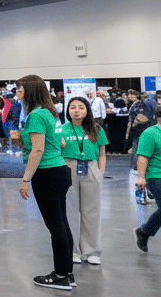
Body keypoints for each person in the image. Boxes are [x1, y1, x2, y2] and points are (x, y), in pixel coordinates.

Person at [13, 74, 74, 290]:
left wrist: (25, 179)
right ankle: (67, 272)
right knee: (62, 222)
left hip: (46, 173)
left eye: (19, 89)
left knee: (56, 225)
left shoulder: (36, 116)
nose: (17, 93)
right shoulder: (50, 113)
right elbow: (62, 142)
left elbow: (38, 149)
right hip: (59, 170)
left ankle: (60, 275)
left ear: (29, 91)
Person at [59, 96, 108, 266]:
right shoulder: (61, 130)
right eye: (73, 107)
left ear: (87, 110)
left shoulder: (96, 129)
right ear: (68, 111)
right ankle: (73, 251)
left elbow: (102, 154)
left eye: (81, 107)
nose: (77, 111)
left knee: (91, 212)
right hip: (68, 168)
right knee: (70, 211)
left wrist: (100, 174)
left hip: (91, 168)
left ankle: (92, 251)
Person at [136, 114, 161, 251]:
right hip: (156, 175)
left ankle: (144, 231)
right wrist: (141, 177)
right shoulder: (150, 133)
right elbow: (142, 157)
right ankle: (145, 231)